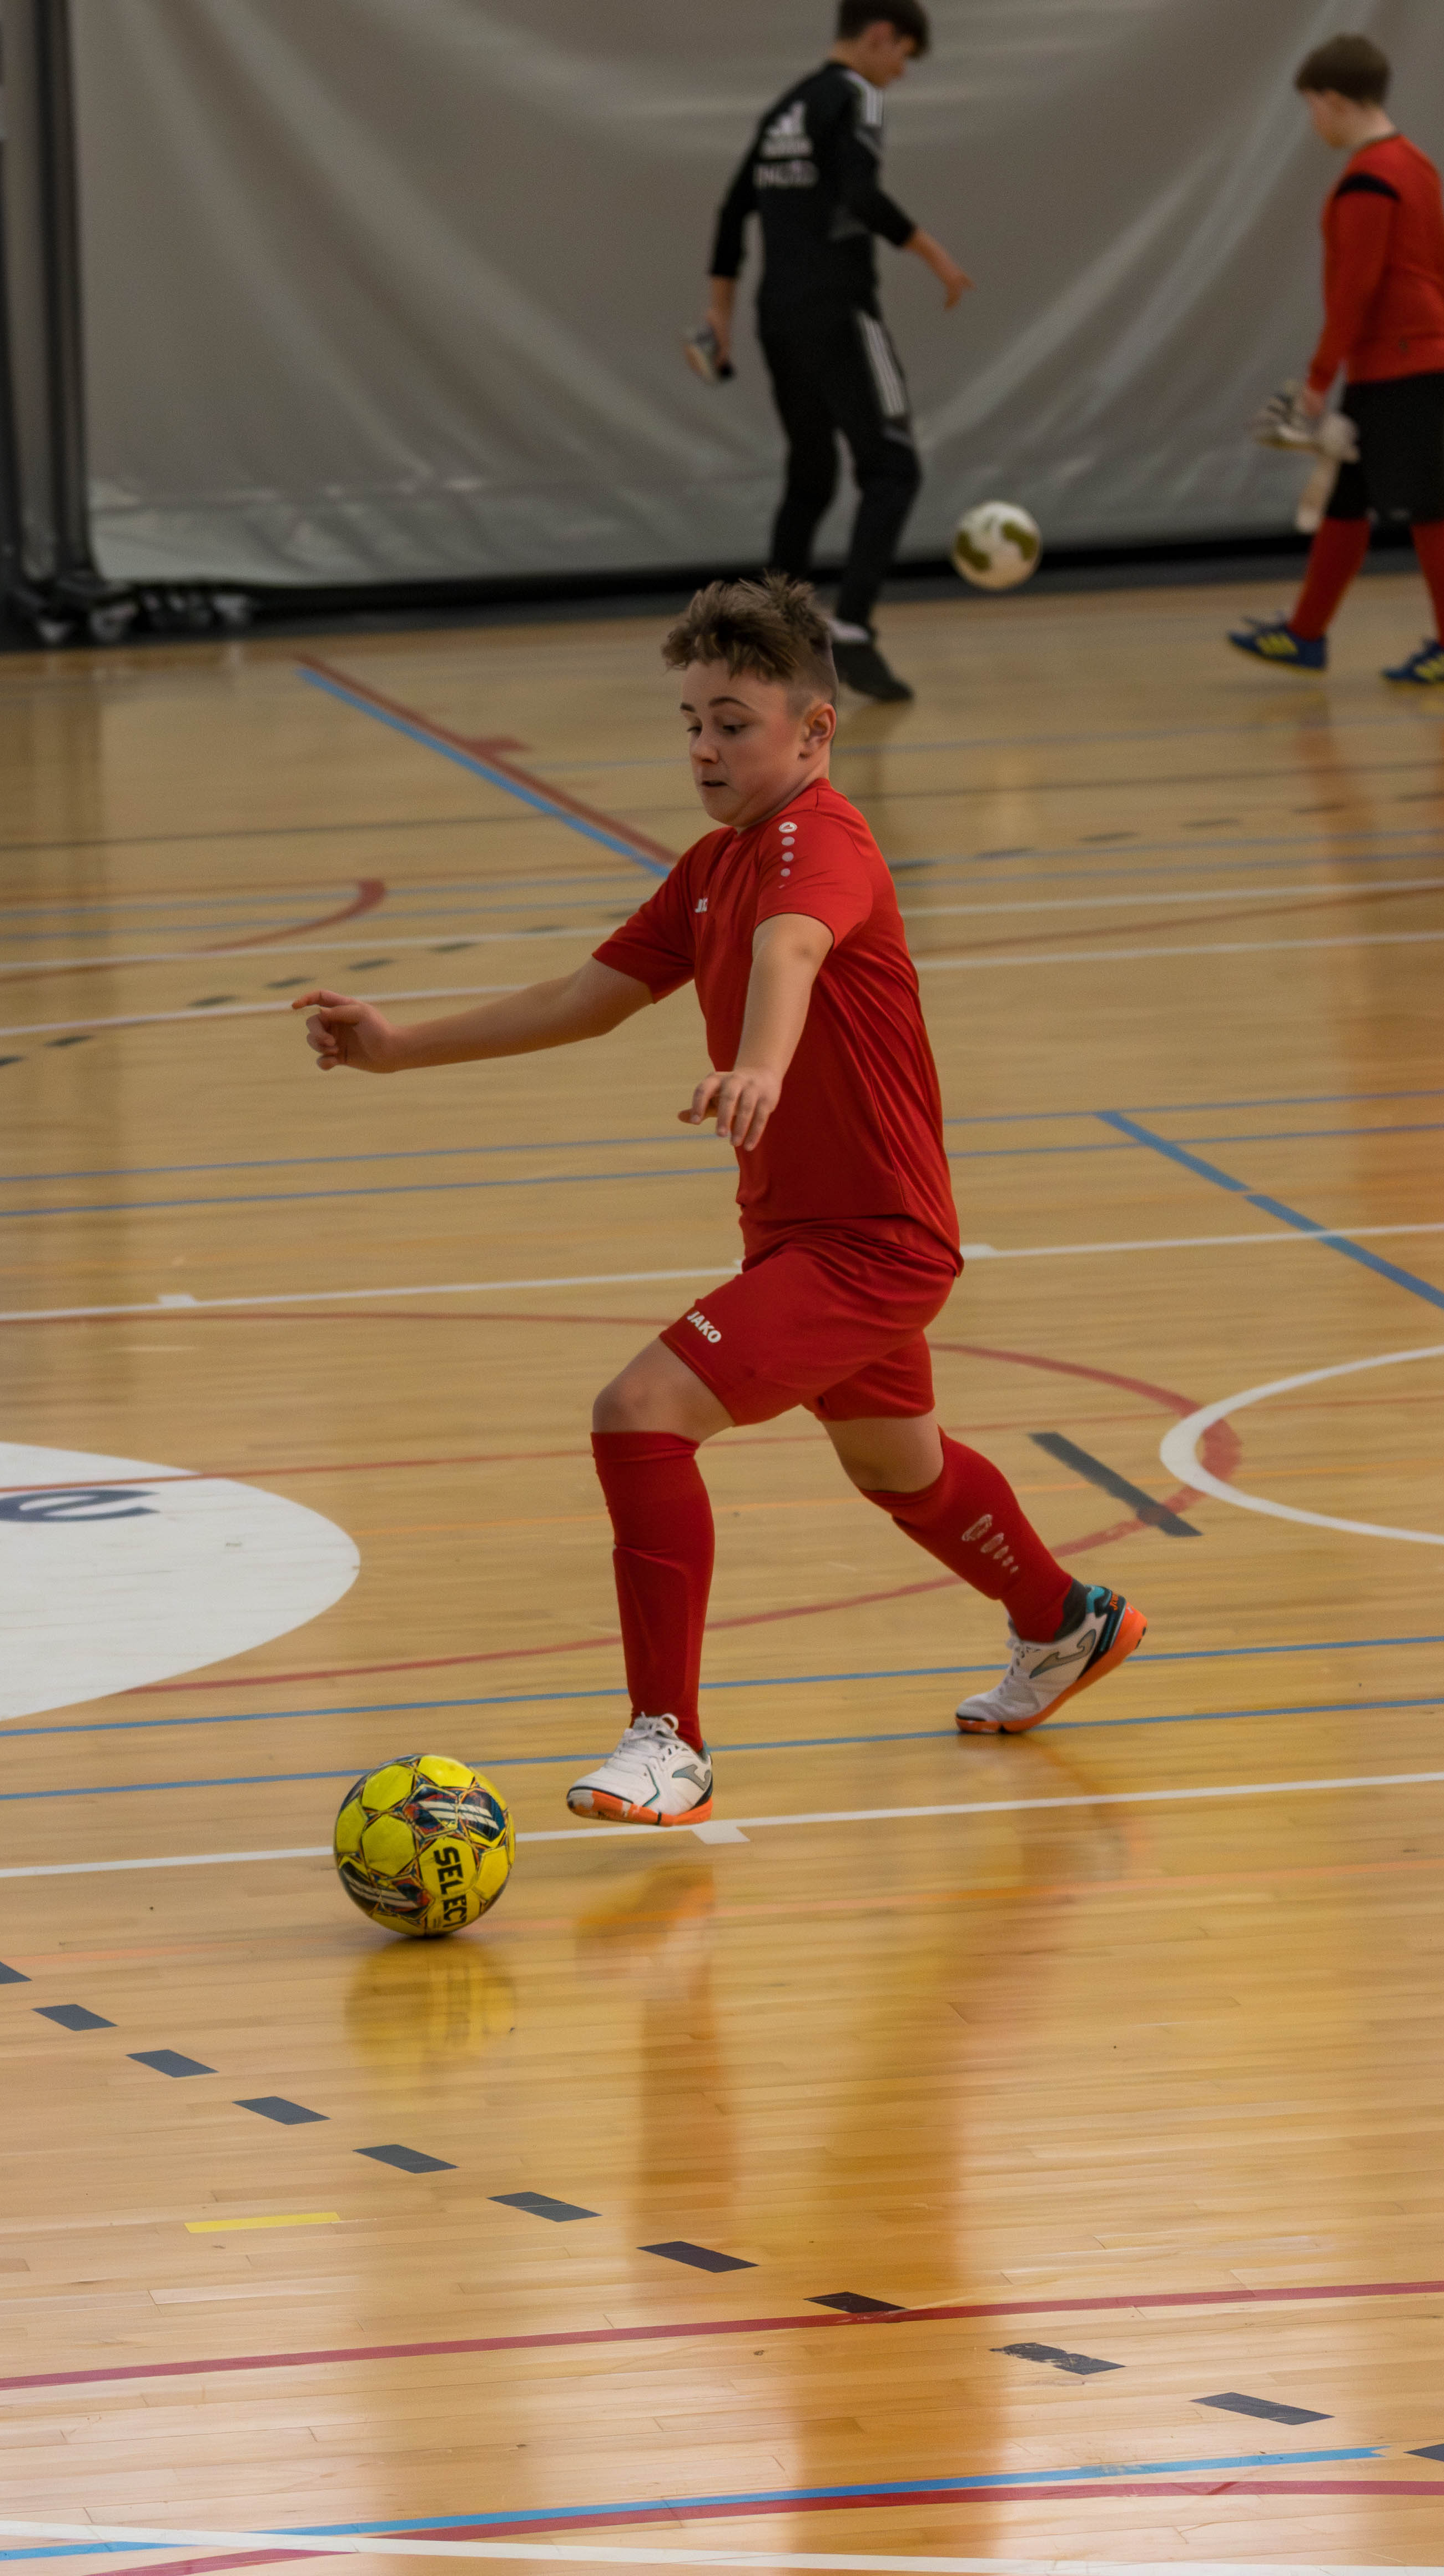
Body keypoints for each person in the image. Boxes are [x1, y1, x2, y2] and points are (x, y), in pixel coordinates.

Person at [294, 577, 1146, 1826]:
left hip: (873, 1239)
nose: (703, 747)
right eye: (691, 722)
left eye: (734, 724)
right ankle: (1065, 1620)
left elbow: (792, 947)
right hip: (805, 1230)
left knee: (639, 1413)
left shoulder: (822, 841)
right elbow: (581, 1000)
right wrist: (398, 1048)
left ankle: (669, 1745)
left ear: (815, 730)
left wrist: (760, 1066)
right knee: (899, 1466)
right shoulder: (710, 868)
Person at [702, 0, 971, 709]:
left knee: (811, 476)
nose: (901, 72)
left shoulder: (784, 110)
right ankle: (851, 628)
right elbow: (861, 195)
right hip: (841, 311)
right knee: (894, 467)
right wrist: (935, 255)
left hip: (778, 316)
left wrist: (719, 313)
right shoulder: (857, 97)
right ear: (879, 35)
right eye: (903, 55)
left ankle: (764, 641)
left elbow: (732, 212)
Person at [1228, 34, 1444, 686]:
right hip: (1408, 358)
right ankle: (1303, 635)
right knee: (1346, 503)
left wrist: (1319, 378)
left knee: (1430, 506)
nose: (1312, 121)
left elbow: (1356, 288)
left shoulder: (1369, 179)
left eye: (1312, 107)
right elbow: (1440, 269)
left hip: (1402, 363)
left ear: (1336, 101)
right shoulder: (1415, 163)